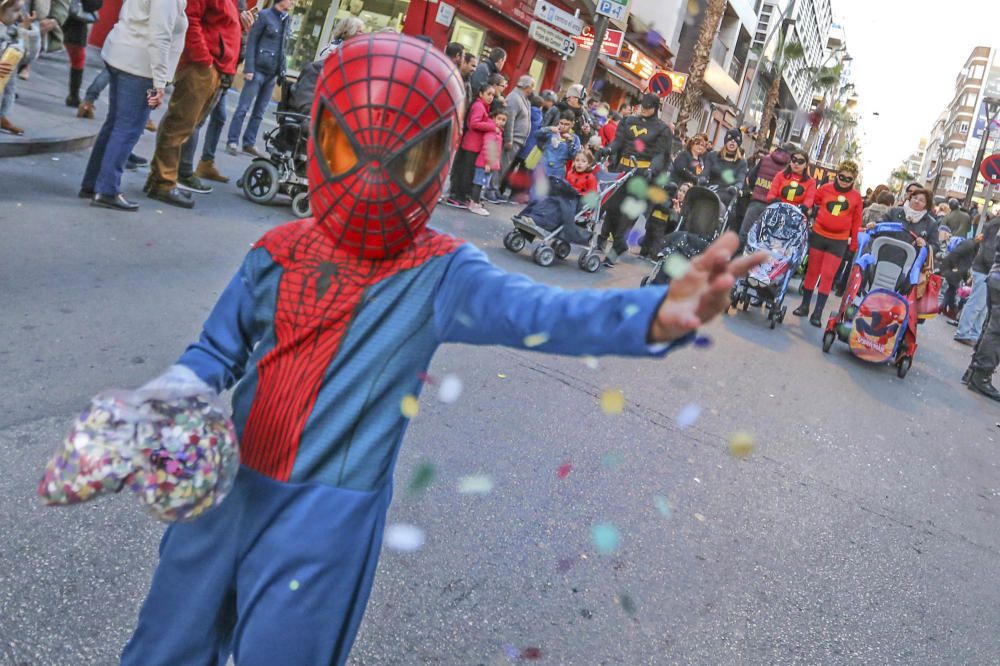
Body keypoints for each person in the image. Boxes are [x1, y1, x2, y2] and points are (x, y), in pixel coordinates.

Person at [115, 37, 767, 664]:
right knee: (161, 649)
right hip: (224, 490)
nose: (373, 175)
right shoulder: (278, 251)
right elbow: (215, 351)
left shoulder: (438, 269)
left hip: (322, 519)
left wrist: (653, 313)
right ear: (320, 138)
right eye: (348, 146)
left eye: (406, 158)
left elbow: (544, 313)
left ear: (437, 156)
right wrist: (172, 393)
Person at [77, 0, 186, 211]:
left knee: (115, 124)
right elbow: (160, 35)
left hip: (123, 54)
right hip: (139, 64)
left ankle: (93, 184)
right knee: (127, 129)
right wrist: (160, 80)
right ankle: (107, 190)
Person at [143, 0, 244, 208]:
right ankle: (164, 182)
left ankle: (160, 179)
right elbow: (191, 18)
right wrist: (204, 59)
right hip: (203, 67)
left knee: (184, 125)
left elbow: (219, 25)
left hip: (213, 67)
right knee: (180, 124)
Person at [600, 92, 673, 264]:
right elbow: (618, 142)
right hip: (622, 170)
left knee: (628, 213)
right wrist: (608, 150)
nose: (644, 109)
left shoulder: (662, 129)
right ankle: (604, 237)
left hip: (642, 175)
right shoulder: (628, 121)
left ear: (655, 108)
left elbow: (661, 155)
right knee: (611, 206)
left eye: (648, 107)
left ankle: (616, 248)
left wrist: (651, 169)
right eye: (643, 106)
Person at [792, 160, 863, 326]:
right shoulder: (825, 189)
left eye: (848, 179)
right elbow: (811, 200)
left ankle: (817, 313)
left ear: (854, 180)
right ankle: (804, 306)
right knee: (811, 272)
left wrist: (853, 247)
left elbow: (856, 222)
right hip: (819, 234)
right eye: (842, 176)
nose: (844, 180)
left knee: (828, 276)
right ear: (837, 174)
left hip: (838, 240)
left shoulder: (856, 197)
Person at [225, 0, 292, 158]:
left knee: (260, 112)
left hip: (272, 73)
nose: (293, 2)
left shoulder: (286, 19)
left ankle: (249, 143)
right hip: (257, 71)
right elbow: (252, 41)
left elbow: (284, 47)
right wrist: (249, 68)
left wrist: (282, 70)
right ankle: (232, 141)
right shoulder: (264, 15)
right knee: (243, 108)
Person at [444, 83, 496, 209]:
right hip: (471, 144)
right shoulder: (479, 106)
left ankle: (461, 195)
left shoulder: (484, 107)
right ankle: (458, 196)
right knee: (465, 172)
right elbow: (474, 123)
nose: (491, 97)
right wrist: (492, 126)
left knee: (467, 171)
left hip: (474, 144)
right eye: (488, 94)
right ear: (481, 94)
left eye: (493, 95)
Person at [955, 207, 1000, 345]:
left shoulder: (994, 224)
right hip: (985, 269)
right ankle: (964, 332)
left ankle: (973, 334)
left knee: (982, 306)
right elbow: (990, 250)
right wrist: (992, 267)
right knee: (977, 304)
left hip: (985, 269)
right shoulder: (996, 226)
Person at [738, 144, 792, 246]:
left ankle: (735, 259)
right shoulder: (788, 167)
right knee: (762, 239)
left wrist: (757, 189)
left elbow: (751, 178)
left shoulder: (765, 159)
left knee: (744, 233)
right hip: (773, 206)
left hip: (756, 201)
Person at [493, 73, 533, 204]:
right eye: (532, 86)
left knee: (505, 166)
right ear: (526, 86)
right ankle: (491, 189)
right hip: (513, 139)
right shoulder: (515, 98)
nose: (533, 89)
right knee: (501, 164)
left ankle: (496, 189)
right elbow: (509, 120)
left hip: (518, 140)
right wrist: (509, 139)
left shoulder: (524, 99)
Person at [60, 0, 102, 109]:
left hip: (60, 17)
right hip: (74, 23)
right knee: (78, 59)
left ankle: (74, 96)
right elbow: (92, 5)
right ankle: (73, 96)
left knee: (35, 47)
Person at [468, 106, 506, 217]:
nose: (501, 122)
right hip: (485, 162)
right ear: (494, 118)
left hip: (488, 162)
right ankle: (474, 203)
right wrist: (488, 162)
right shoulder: (492, 131)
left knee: (482, 183)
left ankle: (476, 202)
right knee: (479, 183)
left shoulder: (498, 131)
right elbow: (488, 147)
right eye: (499, 119)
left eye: (504, 120)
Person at [701, 127, 747, 214]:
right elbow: (705, 171)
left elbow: (741, 179)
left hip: (727, 192)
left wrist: (736, 187)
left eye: (735, 140)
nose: (732, 141)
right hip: (710, 187)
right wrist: (702, 178)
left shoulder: (742, 163)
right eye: (730, 139)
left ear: (739, 144)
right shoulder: (712, 156)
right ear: (725, 141)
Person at [939, 231, 978, 320]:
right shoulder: (970, 245)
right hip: (954, 268)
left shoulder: (971, 245)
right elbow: (956, 253)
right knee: (953, 288)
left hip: (956, 269)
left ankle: (943, 307)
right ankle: (950, 309)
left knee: (952, 288)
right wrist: (955, 267)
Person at [0, 0, 25, 135]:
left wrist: (26, 32)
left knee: (9, 89)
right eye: (16, 10)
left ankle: (2, 116)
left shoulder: (13, 31)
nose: (20, 15)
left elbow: (30, 56)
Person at [766, 146, 816, 211]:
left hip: (797, 214)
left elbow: (809, 199)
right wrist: (774, 200)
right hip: (777, 210)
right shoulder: (780, 175)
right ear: (790, 162)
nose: (796, 163)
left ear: (806, 165)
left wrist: (804, 206)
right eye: (794, 160)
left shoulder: (811, 182)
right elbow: (771, 193)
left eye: (800, 161)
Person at [535, 110, 581, 180]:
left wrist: (570, 142)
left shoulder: (574, 138)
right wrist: (549, 128)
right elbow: (536, 135)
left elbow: (574, 156)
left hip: (557, 172)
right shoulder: (552, 131)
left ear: (572, 124)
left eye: (566, 124)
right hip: (542, 167)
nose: (563, 126)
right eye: (561, 123)